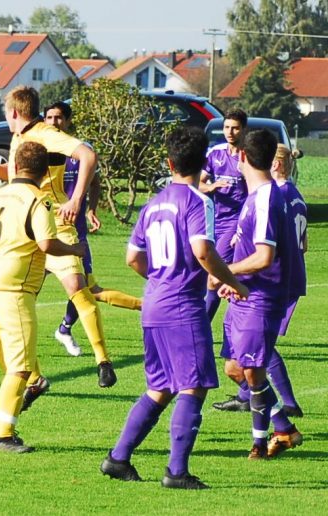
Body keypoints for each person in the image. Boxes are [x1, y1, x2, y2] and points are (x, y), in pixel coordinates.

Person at [100, 126, 248, 489]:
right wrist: (231, 280)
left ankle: (118, 459)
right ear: (203, 164)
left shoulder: (153, 204)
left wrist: (161, 277)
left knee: (161, 387)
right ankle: (176, 472)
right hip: (182, 306)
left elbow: (132, 257)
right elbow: (202, 251)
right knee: (193, 386)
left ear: (169, 162)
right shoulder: (199, 202)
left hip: (154, 305)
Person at [0, 86, 117, 398]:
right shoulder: (18, 138)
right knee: (11, 303)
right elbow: (15, 177)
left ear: (13, 112)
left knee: (76, 287)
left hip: (55, 221)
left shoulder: (45, 133)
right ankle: (35, 379)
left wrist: (76, 199)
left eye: (5, 111)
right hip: (23, 226)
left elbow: (88, 155)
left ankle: (103, 361)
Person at [0, 141, 87, 453]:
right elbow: (48, 245)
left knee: (15, 362)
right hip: (14, 289)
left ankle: (28, 396)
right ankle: (3, 436)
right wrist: (75, 249)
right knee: (19, 368)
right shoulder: (40, 201)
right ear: (45, 170)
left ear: (15, 166)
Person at [212, 130, 302, 459]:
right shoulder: (254, 197)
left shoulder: (266, 198)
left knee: (252, 369)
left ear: (242, 158)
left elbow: (264, 256)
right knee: (235, 368)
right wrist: (231, 280)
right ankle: (283, 427)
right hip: (244, 294)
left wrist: (223, 271)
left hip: (262, 297)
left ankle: (262, 443)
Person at [43, 101, 142, 357]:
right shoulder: (38, 149)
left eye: (59, 118)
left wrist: (91, 209)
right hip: (43, 232)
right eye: (49, 118)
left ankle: (65, 328)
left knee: (86, 289)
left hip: (72, 233)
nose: (54, 122)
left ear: (68, 121)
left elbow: (95, 183)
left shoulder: (80, 151)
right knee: (24, 287)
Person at [201, 109, 248, 322]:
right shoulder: (215, 154)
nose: (230, 132)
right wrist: (212, 187)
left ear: (243, 130)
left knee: (215, 274)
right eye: (227, 127)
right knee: (215, 275)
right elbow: (198, 184)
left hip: (237, 222)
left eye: (235, 128)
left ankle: (202, 324)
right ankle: (242, 318)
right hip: (214, 221)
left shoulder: (248, 157)